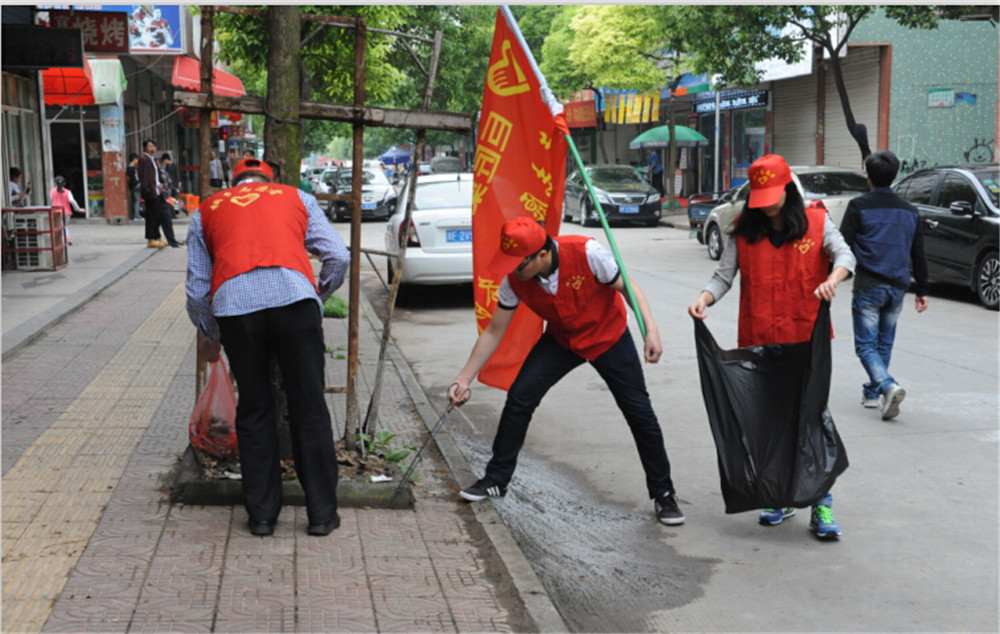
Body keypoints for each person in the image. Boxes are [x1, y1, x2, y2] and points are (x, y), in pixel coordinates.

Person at [447, 216, 685, 526]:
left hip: (608, 336)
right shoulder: (515, 280)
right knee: (520, 398)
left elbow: (629, 287)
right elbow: (494, 331)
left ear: (542, 254)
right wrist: (463, 379)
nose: (513, 270)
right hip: (563, 339)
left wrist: (650, 330)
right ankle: (496, 480)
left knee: (639, 411)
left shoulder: (588, 253)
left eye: (519, 263)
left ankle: (664, 493)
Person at [687, 154, 856, 539]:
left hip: (806, 342)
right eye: (759, 199)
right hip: (760, 343)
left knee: (809, 420)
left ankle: (821, 502)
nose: (766, 207)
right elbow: (723, 277)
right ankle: (780, 496)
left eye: (772, 197)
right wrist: (704, 299)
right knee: (769, 422)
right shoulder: (743, 231)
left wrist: (833, 278)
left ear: (788, 191)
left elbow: (846, 255)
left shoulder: (817, 221)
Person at [185, 158, 350, 537]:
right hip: (296, 304)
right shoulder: (297, 198)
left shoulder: (206, 210)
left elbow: (196, 292)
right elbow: (339, 256)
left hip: (237, 311)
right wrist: (317, 295)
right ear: (269, 181)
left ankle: (261, 516)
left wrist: (213, 332)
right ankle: (322, 514)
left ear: (234, 182)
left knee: (255, 407)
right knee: (309, 405)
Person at [839, 150, 929, 421]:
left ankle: (887, 386)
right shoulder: (910, 211)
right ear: (894, 175)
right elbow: (918, 253)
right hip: (897, 286)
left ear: (868, 177)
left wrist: (836, 275)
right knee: (884, 343)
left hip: (869, 285)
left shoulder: (858, 206)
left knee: (866, 345)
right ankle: (872, 393)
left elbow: (843, 244)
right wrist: (922, 289)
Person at [137, 139, 180, 248]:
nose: (152, 148)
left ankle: (158, 237)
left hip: (157, 191)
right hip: (150, 192)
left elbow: (155, 176)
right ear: (145, 148)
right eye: (150, 146)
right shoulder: (143, 159)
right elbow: (144, 177)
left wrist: (158, 184)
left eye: (153, 146)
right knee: (151, 217)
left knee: (158, 216)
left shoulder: (152, 159)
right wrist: (148, 189)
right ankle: (151, 240)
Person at [49, 176, 81, 245]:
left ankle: (63, 241)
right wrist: (78, 209)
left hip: (56, 212)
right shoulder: (68, 192)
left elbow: (51, 201)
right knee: (64, 226)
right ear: (64, 183)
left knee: (59, 227)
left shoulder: (52, 191)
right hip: (66, 212)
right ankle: (67, 238)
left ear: (54, 183)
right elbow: (72, 201)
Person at [126, 153, 143, 220]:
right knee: (137, 200)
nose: (138, 161)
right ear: (134, 159)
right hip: (136, 185)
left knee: (136, 200)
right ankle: (136, 215)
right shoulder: (131, 168)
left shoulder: (133, 167)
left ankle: (136, 214)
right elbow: (128, 178)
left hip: (135, 185)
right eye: (137, 159)